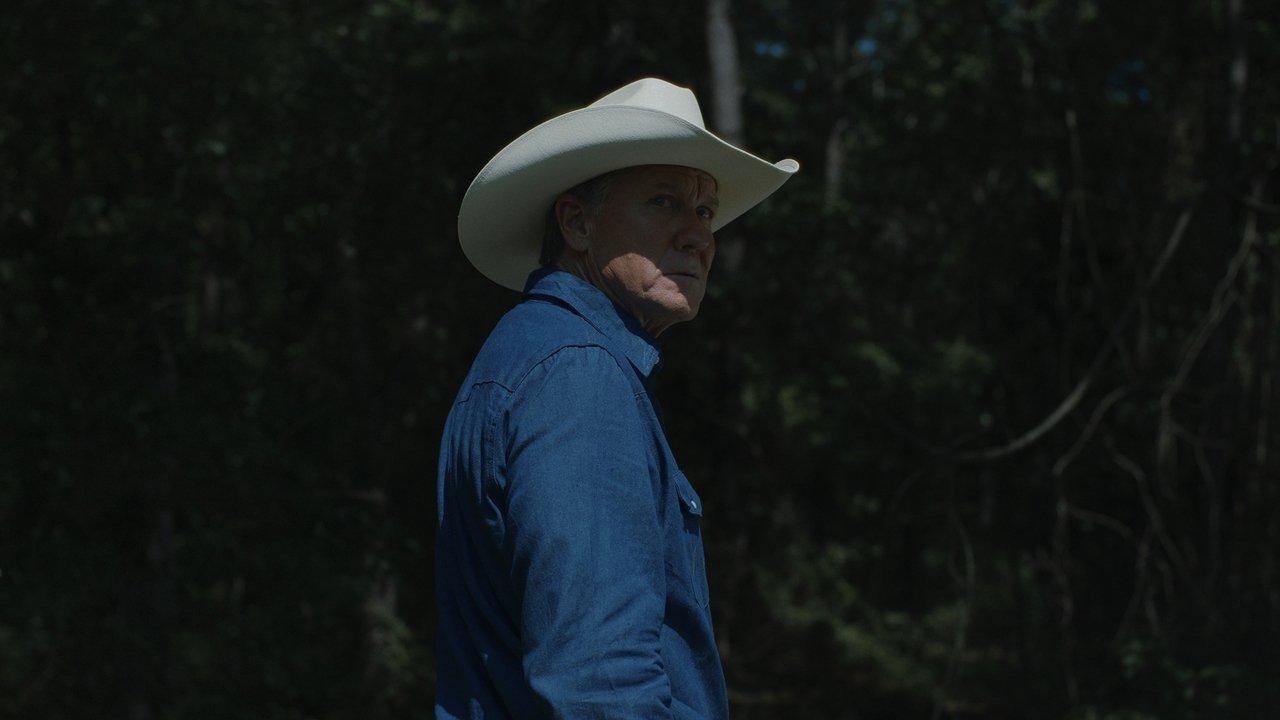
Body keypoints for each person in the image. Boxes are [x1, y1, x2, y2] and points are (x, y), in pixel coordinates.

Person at [435, 77, 798, 719]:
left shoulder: (532, 354)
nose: (698, 236)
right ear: (577, 223)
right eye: (664, 201)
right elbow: (599, 681)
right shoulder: (579, 375)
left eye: (705, 212)